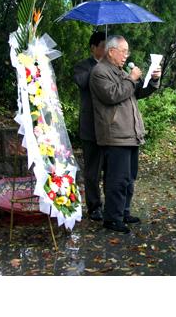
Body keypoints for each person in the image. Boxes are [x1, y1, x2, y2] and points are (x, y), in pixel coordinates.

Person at [89, 35, 161, 233]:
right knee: (117, 180)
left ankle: (123, 211)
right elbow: (112, 95)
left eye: (127, 52)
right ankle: (112, 218)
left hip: (130, 134)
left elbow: (136, 93)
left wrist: (153, 81)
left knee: (129, 178)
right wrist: (131, 78)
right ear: (112, 51)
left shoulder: (120, 72)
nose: (126, 56)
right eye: (123, 51)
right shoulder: (100, 72)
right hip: (115, 135)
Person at [72, 31, 107, 221]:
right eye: (103, 46)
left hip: (110, 127)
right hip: (90, 127)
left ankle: (112, 206)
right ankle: (94, 207)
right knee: (93, 171)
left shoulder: (113, 66)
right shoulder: (82, 66)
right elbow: (82, 82)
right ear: (93, 47)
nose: (106, 49)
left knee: (111, 170)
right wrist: (99, 67)